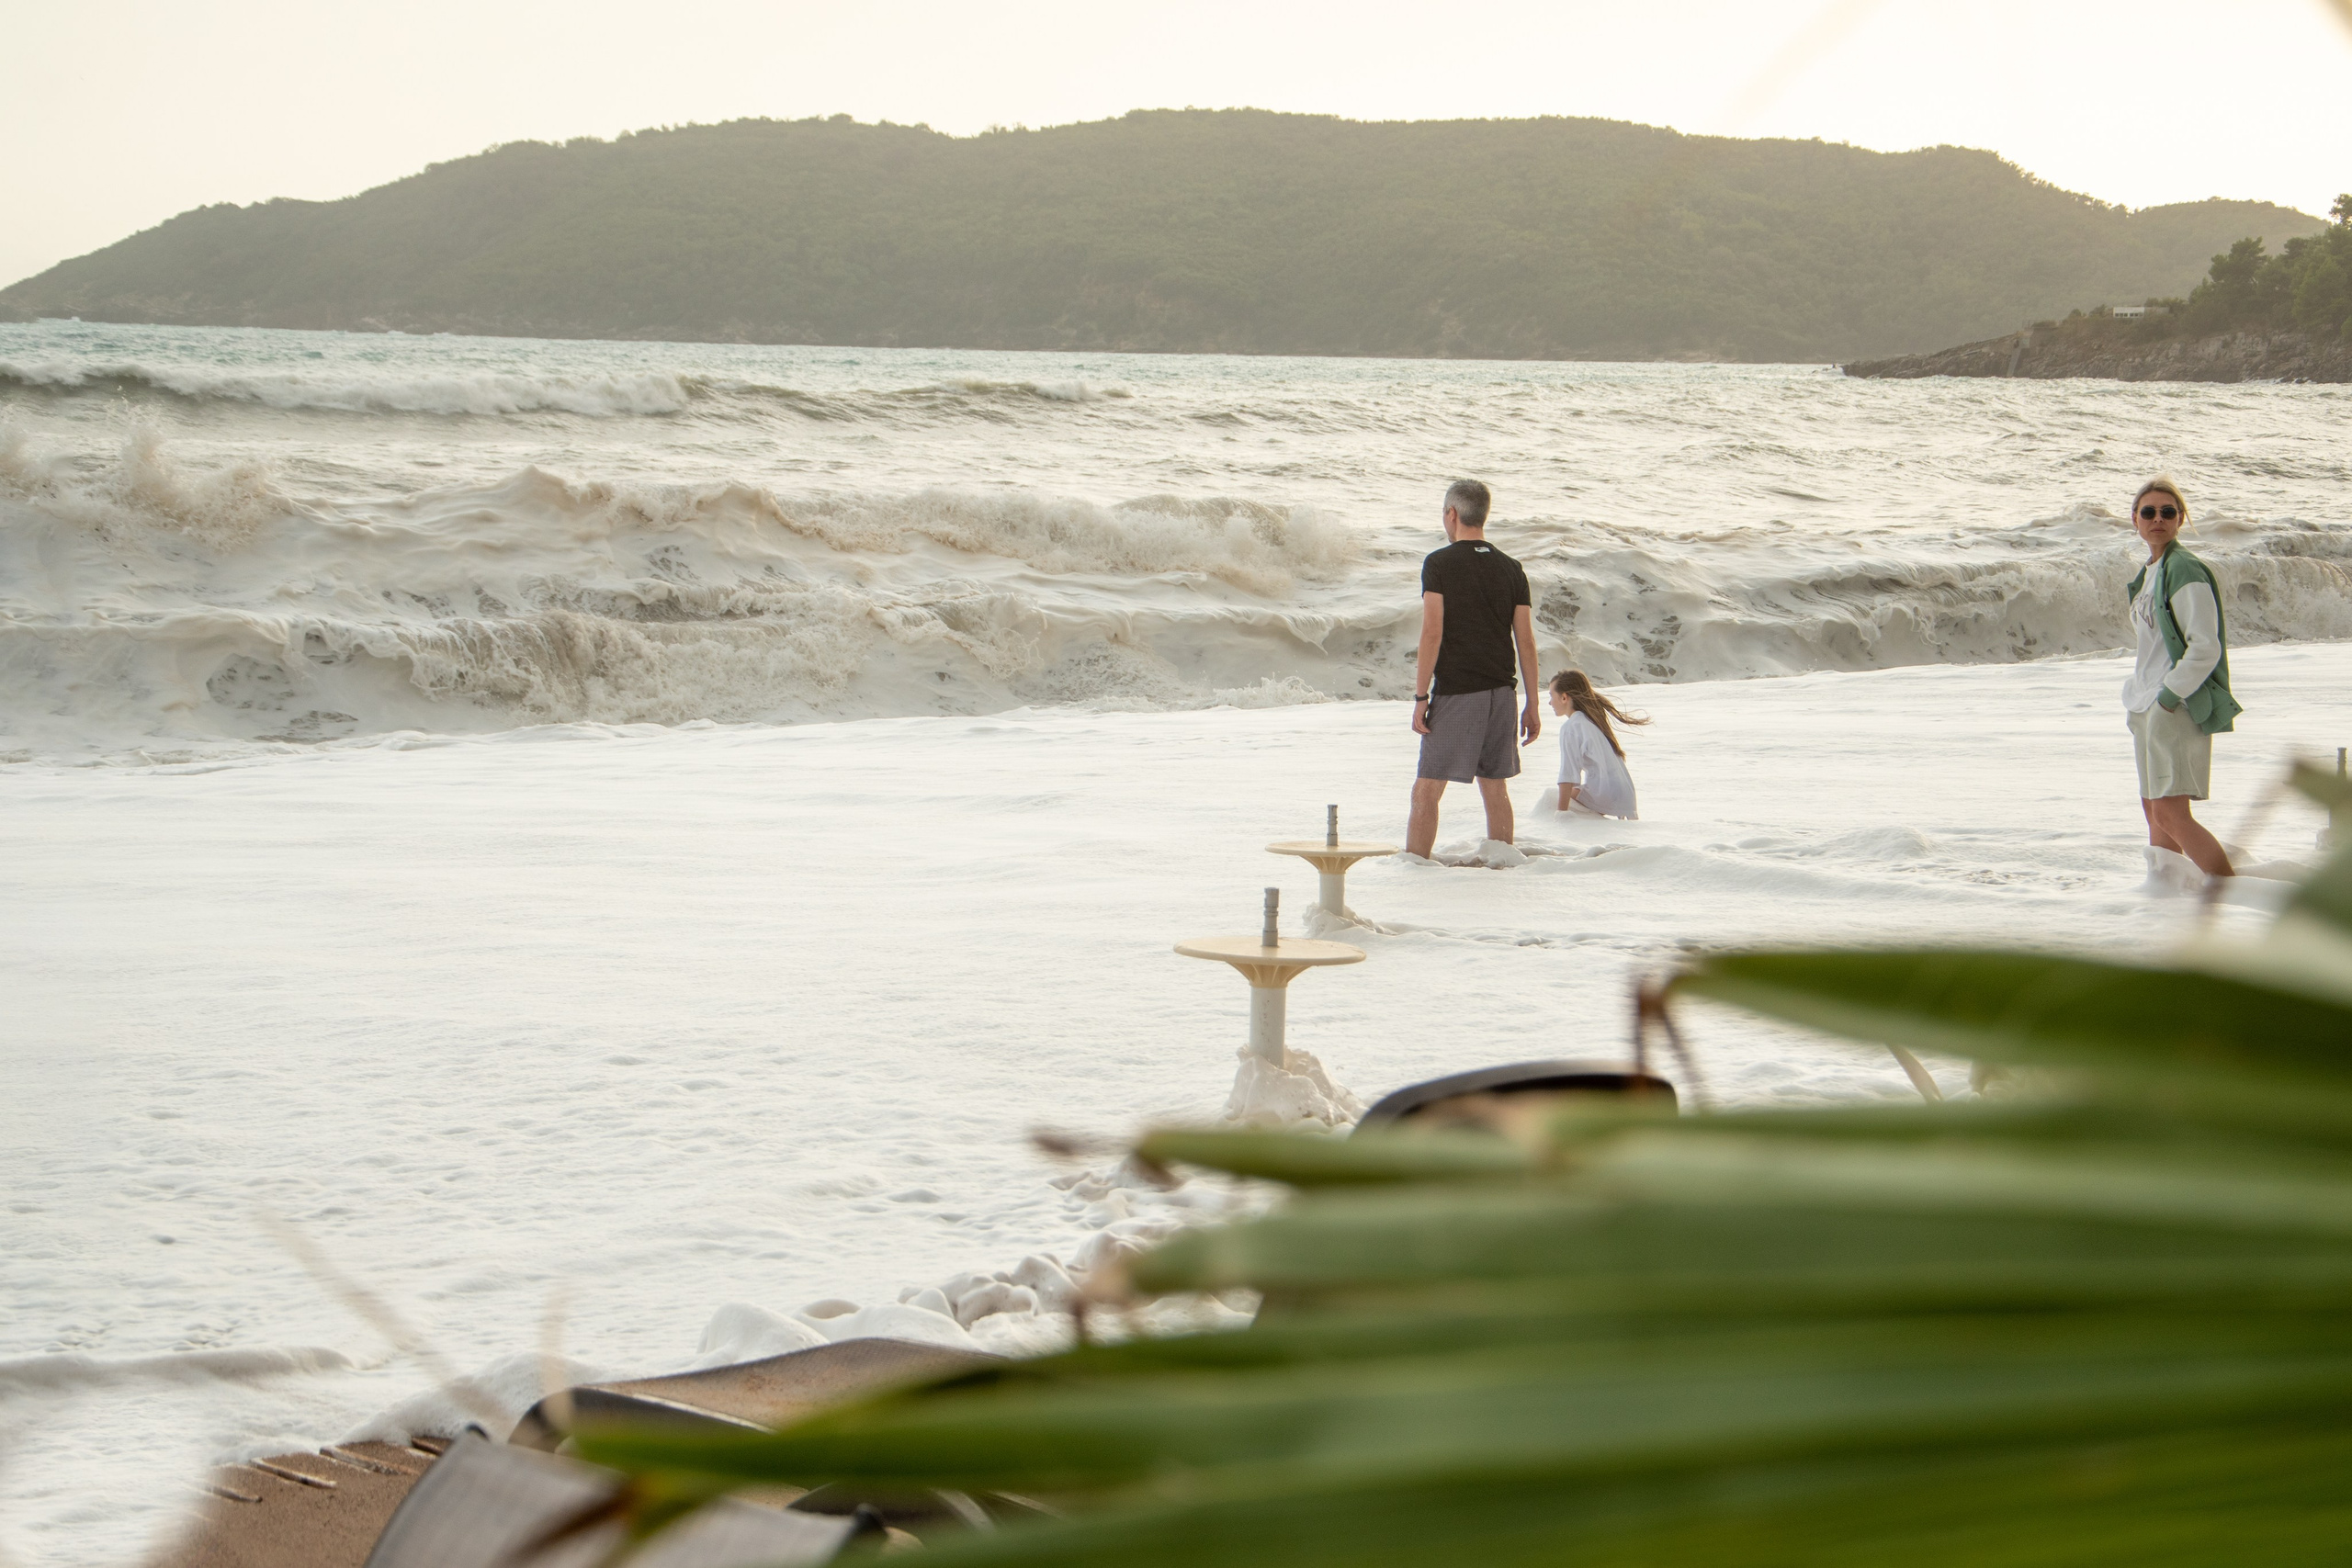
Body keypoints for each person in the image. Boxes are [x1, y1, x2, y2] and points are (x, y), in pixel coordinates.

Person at [1408, 479, 1541, 858]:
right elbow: (1526, 642)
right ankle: (1501, 865)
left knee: (1426, 789)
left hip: (1458, 693)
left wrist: (1420, 697)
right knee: (1495, 788)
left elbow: (1432, 632)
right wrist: (1531, 702)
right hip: (1503, 694)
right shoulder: (1511, 568)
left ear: (1452, 514)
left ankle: (1413, 870)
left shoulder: (1439, 563)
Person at [2121, 476, 2240, 879]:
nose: (2158, 518)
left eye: (2168, 512)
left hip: (2172, 704)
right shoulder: (2150, 572)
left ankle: (2225, 893)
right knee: (2154, 809)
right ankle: (2165, 893)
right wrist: (2142, 700)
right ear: (2134, 519)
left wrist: (2168, 697)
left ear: (2180, 519)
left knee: (2172, 813)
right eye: (2149, 511)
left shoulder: (2185, 569)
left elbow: (2205, 646)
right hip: (2146, 703)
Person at [1544, 670, 1646, 819]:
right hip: (1625, 795)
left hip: (1604, 793)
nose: (1549, 702)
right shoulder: (1592, 720)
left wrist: (1561, 815)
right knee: (1573, 793)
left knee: (1550, 799)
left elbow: (1567, 774)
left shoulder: (1571, 727)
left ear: (1564, 697)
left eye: (1551, 696)